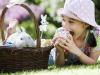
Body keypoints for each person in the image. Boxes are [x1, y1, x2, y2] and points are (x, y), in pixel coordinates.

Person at [48, 0, 100, 66]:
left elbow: (93, 62)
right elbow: (59, 65)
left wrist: (75, 50)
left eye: (71, 22)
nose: (65, 26)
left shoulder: (97, 34)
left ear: (85, 24)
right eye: (63, 19)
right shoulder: (60, 32)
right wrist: (60, 52)